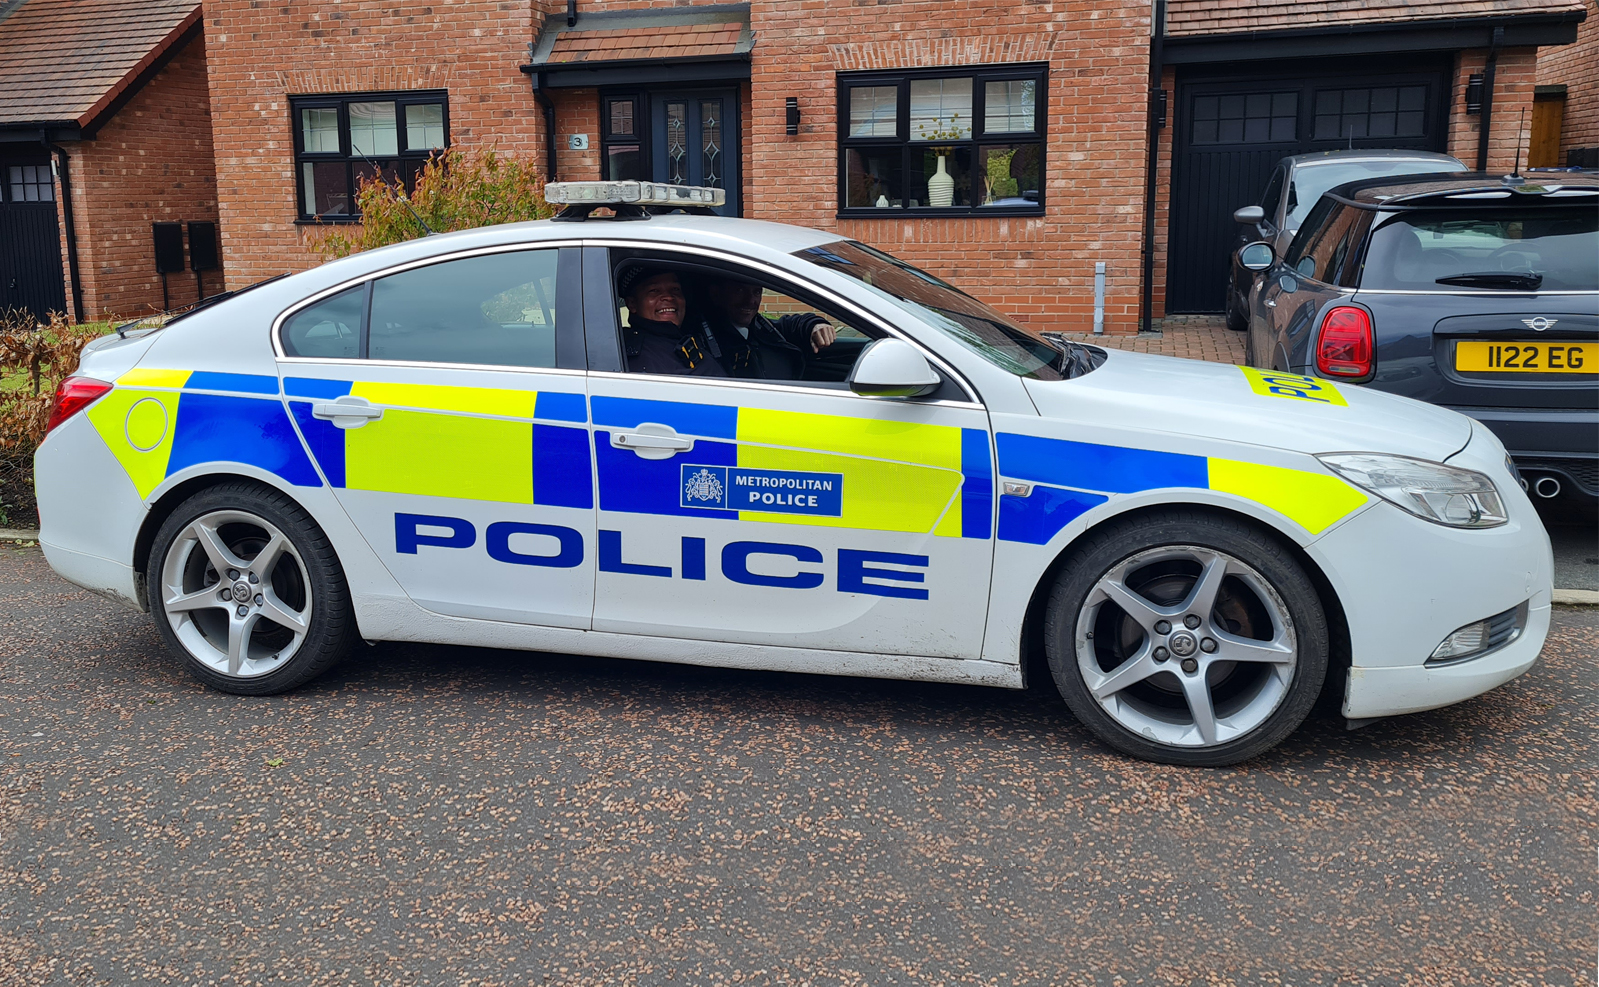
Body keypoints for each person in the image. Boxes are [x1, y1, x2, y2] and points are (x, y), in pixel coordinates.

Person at [695, 277, 838, 380]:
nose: (750, 300)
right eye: (739, 290)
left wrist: (815, 325)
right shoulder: (704, 342)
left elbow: (792, 324)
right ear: (715, 293)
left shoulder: (761, 327)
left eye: (756, 292)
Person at [617, 266, 727, 377]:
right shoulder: (636, 360)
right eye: (654, 291)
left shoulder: (684, 338)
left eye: (675, 289)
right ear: (632, 304)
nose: (669, 297)